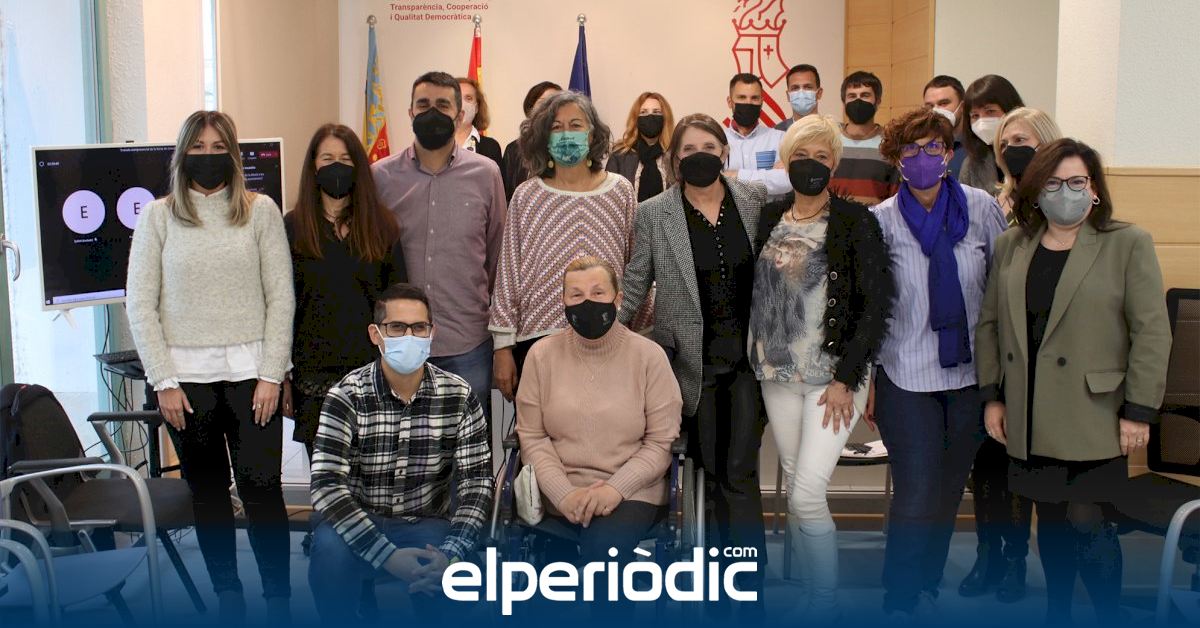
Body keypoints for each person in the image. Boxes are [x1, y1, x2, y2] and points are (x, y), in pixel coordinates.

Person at [976, 139, 1170, 624]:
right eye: (1054, 183)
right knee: (1051, 517)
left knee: (1088, 519)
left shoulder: (1127, 242)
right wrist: (993, 396)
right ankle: (1057, 613)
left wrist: (1139, 411)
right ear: (1036, 191)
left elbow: (1151, 332)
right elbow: (990, 325)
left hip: (1095, 412)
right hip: (1030, 409)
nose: (1066, 192)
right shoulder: (1012, 244)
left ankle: (1106, 616)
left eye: (1077, 181)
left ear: (1095, 188)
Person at [126, 110, 294, 622]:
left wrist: (272, 374)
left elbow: (281, 298)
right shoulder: (157, 217)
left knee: (261, 489)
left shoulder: (260, 212)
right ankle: (228, 595)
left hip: (253, 378)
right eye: (197, 147)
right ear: (182, 154)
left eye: (218, 146)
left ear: (234, 154)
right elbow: (141, 305)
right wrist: (163, 381)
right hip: (184, 384)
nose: (207, 155)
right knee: (208, 493)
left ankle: (278, 599)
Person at [620, 113, 769, 616]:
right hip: (690, 367)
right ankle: (714, 591)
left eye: (709, 146)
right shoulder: (654, 213)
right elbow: (636, 282)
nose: (699, 155)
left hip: (748, 363)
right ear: (675, 159)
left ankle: (747, 595)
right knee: (706, 477)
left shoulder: (754, 201)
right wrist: (599, 332)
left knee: (739, 475)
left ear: (725, 153)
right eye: (687, 149)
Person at [749, 114, 892, 621]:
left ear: (835, 165)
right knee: (795, 483)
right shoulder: (769, 216)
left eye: (821, 157)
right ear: (786, 162)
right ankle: (814, 595)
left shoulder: (856, 222)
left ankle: (824, 604)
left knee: (808, 492)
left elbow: (875, 306)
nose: (810, 165)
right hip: (776, 374)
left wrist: (847, 379)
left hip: (833, 380)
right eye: (801, 156)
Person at [868, 107, 1007, 620]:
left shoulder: (981, 208)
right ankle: (899, 595)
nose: (923, 157)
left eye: (933, 147)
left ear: (949, 154)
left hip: (970, 375)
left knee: (948, 492)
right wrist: (869, 378)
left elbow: (1000, 288)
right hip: (905, 374)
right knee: (917, 490)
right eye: (911, 149)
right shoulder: (880, 221)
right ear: (896, 158)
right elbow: (873, 307)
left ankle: (926, 583)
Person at [308, 283, 493, 622]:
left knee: (457, 582)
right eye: (396, 327)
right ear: (375, 334)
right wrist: (387, 556)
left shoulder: (458, 395)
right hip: (359, 520)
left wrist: (450, 554)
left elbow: (477, 485)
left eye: (419, 327)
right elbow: (326, 485)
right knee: (329, 552)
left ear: (432, 333)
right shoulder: (346, 395)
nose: (409, 337)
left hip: (425, 524)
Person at [516, 257, 682, 618]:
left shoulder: (649, 357)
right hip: (560, 487)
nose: (587, 302)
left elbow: (660, 444)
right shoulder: (541, 356)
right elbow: (532, 437)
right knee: (543, 579)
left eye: (597, 292)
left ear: (618, 298)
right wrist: (563, 493)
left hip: (632, 491)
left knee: (604, 551)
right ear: (563, 301)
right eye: (575, 295)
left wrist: (614, 489)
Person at [957, 107, 1063, 603]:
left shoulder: (1061, 208)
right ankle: (989, 554)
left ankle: (1016, 559)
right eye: (1006, 143)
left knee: (1022, 466)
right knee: (987, 463)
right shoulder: (992, 205)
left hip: (1042, 358)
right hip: (992, 349)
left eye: (1023, 140)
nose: (1012, 149)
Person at [372, 71, 506, 429]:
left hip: (467, 342)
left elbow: (498, 257)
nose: (432, 112)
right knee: (401, 448)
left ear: (460, 114)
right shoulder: (381, 177)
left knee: (468, 448)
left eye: (442, 105)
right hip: (400, 343)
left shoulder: (486, 174)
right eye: (424, 104)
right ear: (410, 112)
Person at [490, 91, 644, 401]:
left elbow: (636, 266)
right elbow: (508, 274)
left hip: (609, 334)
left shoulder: (620, 191)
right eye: (556, 127)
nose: (566, 134)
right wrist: (502, 347)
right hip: (539, 339)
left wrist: (640, 331)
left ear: (592, 134)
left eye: (575, 125)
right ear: (543, 138)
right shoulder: (526, 195)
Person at [284, 123, 406, 458]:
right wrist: (283, 375)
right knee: (326, 479)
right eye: (327, 158)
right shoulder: (292, 227)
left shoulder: (383, 227)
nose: (336, 166)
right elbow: (282, 306)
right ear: (313, 166)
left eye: (345, 159)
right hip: (313, 375)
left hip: (372, 373)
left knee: (374, 477)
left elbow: (397, 301)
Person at [830, 70, 900, 206]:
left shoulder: (891, 143)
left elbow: (894, 198)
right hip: (832, 218)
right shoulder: (829, 140)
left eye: (865, 95)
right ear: (844, 102)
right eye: (852, 96)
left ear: (878, 101)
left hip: (875, 219)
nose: (858, 101)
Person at [722, 73, 791, 196]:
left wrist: (736, 175)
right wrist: (769, 176)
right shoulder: (717, 141)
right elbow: (714, 183)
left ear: (761, 102)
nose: (748, 103)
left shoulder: (780, 138)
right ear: (729, 102)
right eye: (742, 97)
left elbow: (786, 181)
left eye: (754, 98)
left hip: (772, 208)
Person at [960, 74, 1024, 193]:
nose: (982, 121)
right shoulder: (971, 166)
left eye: (990, 111)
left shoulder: (1031, 154)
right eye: (975, 115)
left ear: (1011, 109)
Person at [606, 91, 675, 202]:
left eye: (656, 112)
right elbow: (609, 198)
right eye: (643, 112)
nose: (650, 116)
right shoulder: (619, 156)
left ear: (665, 118)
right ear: (635, 119)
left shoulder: (675, 156)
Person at [994, 107, 1062, 214]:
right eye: (1004, 145)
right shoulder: (996, 205)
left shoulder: (1069, 193)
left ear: (1046, 143)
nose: (1009, 149)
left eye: (1019, 139)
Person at [501, 80, 561, 201]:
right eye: (543, 102)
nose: (549, 107)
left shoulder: (567, 147)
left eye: (555, 102)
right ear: (530, 108)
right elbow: (505, 195)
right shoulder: (513, 149)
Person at [922, 75, 967, 178]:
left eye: (943, 103)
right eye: (929, 106)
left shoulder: (976, 149)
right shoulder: (920, 147)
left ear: (962, 107)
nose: (935, 110)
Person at [455, 77, 503, 171]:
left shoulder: (491, 147)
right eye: (457, 98)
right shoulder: (432, 145)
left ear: (476, 108)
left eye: (468, 98)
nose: (462, 104)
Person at [775, 64, 823, 132]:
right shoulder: (776, 133)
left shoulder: (834, 131)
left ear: (819, 93)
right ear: (788, 96)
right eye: (795, 88)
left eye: (808, 87)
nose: (801, 93)